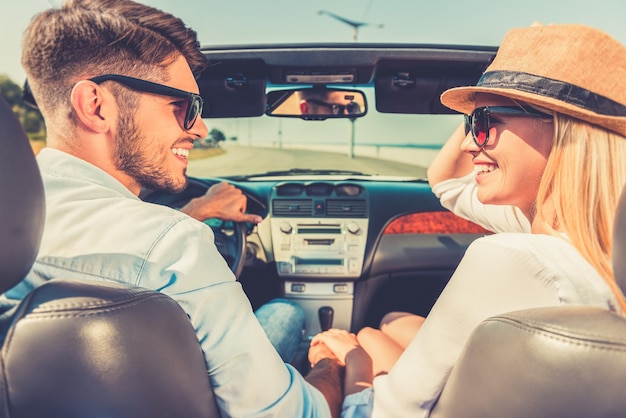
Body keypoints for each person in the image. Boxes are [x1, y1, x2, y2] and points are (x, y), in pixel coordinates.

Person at [9, 0, 345, 416]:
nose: (200, 129)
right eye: (183, 107)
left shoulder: (15, 228)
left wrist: (197, 210)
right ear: (95, 106)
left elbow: (124, 256)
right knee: (286, 312)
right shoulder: (176, 246)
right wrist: (335, 365)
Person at [310, 23, 626, 417]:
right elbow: (448, 184)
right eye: (468, 124)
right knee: (391, 322)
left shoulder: (511, 256)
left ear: (564, 130)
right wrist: (490, 96)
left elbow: (383, 413)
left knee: (368, 335)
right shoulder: (588, 246)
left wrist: (349, 358)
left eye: (483, 124)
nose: (465, 142)